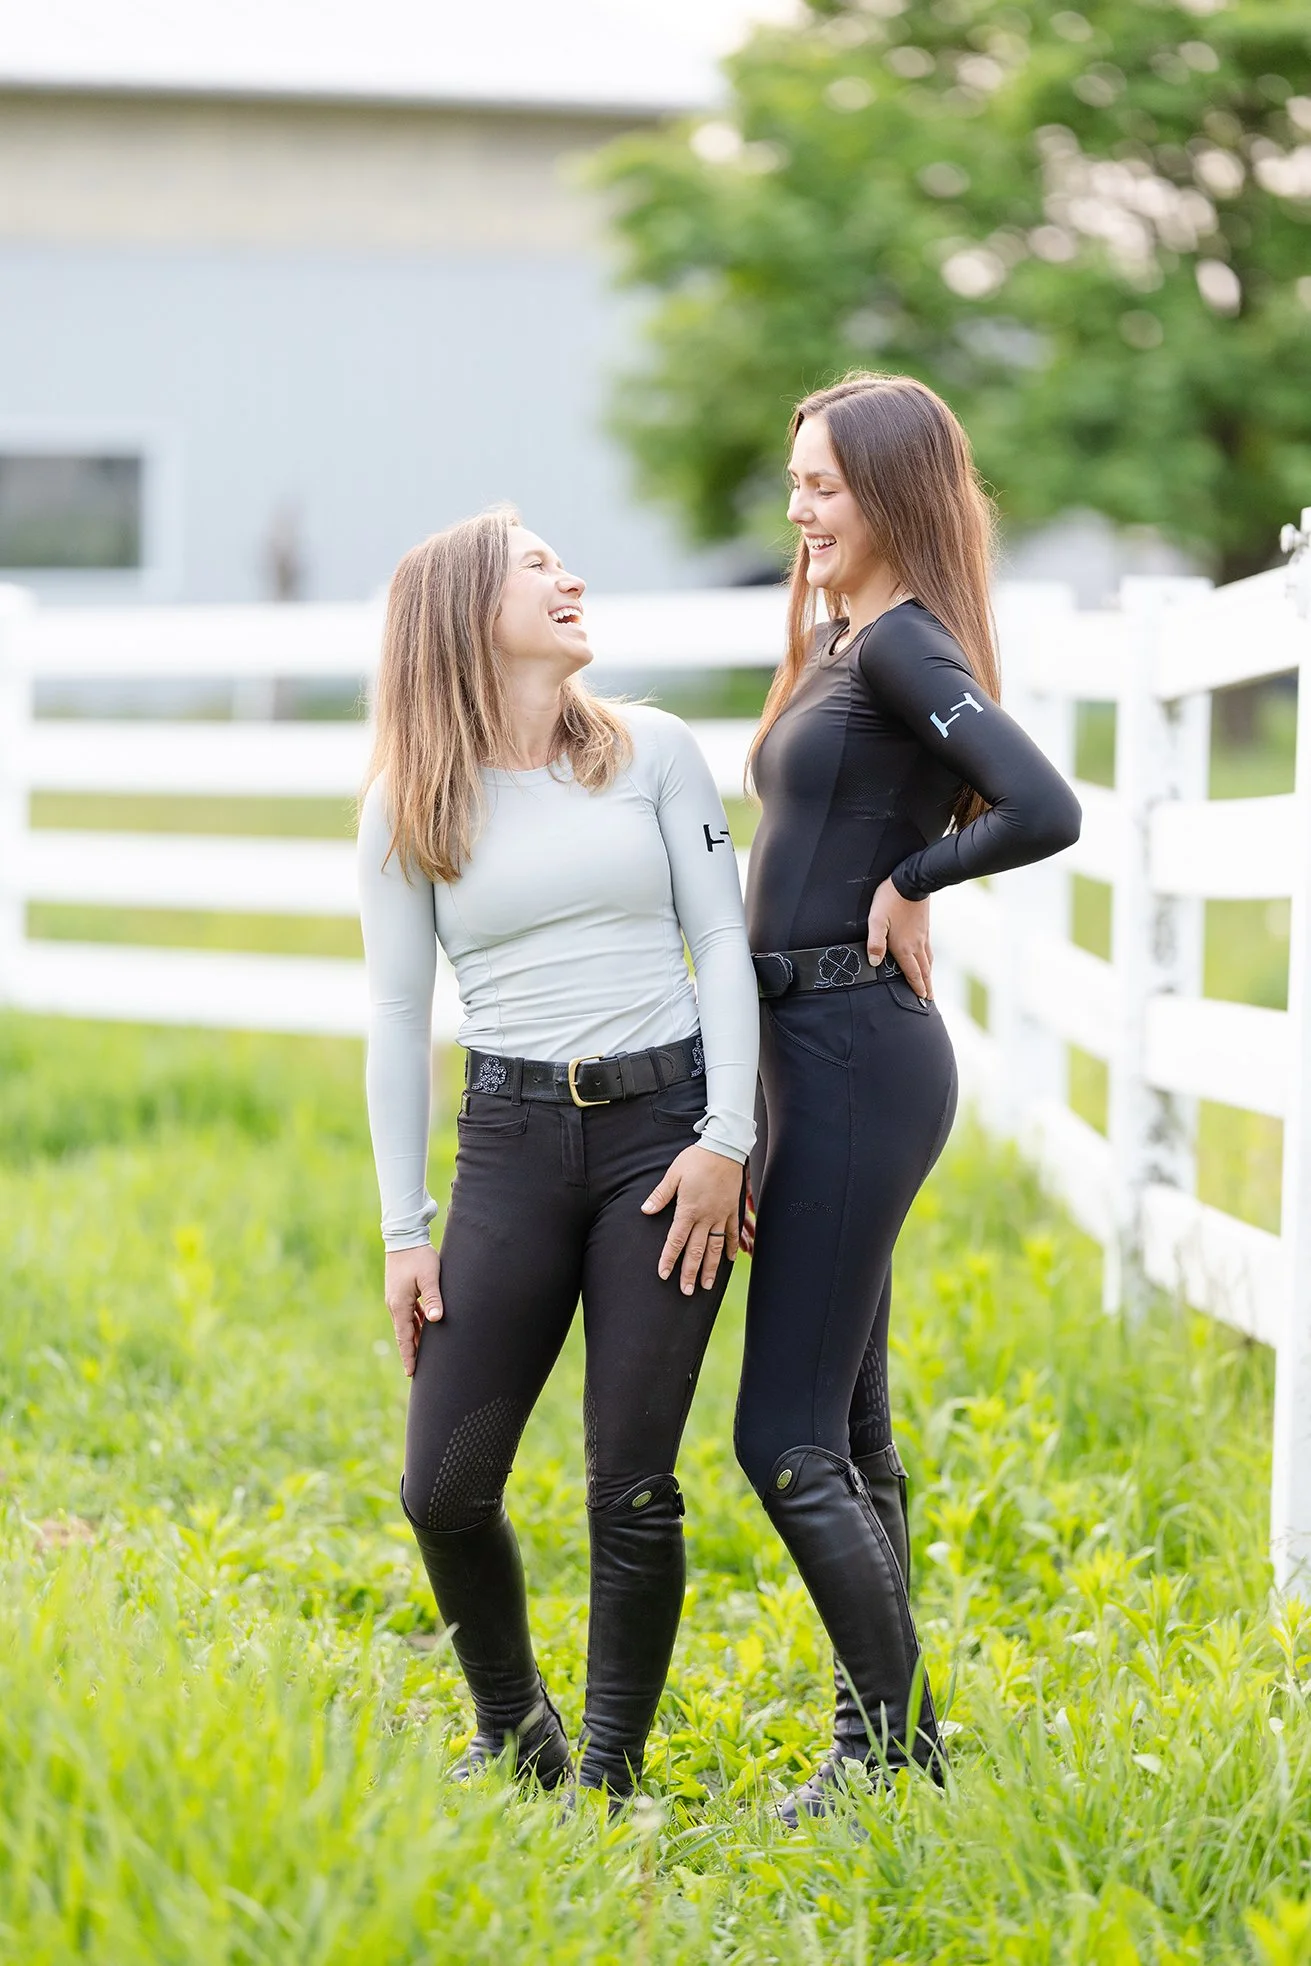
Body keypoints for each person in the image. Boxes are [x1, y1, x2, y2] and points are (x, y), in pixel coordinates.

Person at [357, 507, 757, 1804]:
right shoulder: (409, 802)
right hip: (510, 1148)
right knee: (442, 1486)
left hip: (665, 1145)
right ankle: (515, 1725)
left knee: (630, 1481)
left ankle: (608, 1778)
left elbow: (722, 945)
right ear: (469, 615)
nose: (570, 577)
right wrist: (403, 1229)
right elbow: (396, 1019)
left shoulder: (655, 752)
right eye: (537, 566)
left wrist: (727, 1137)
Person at [737, 373, 1081, 1825]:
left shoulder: (902, 645)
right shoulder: (844, 639)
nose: (799, 510)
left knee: (783, 1437)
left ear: (889, 494)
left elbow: (1043, 804)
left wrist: (911, 878)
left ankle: (892, 1755)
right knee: (849, 1431)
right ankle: (886, 1746)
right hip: (807, 1050)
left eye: (822, 486)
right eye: (797, 482)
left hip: (855, 1054)